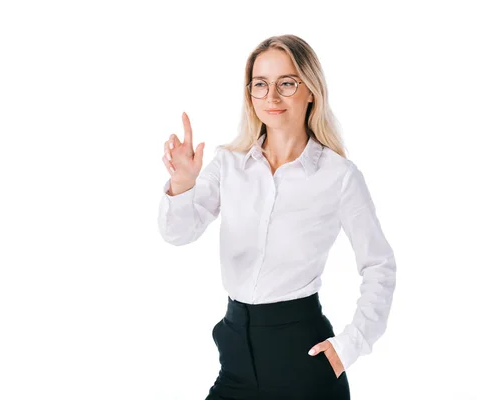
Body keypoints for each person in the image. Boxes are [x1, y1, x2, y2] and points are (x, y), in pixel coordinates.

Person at [157, 34, 396, 399]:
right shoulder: (228, 164)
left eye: (286, 83)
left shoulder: (339, 175)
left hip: (303, 357)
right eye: (260, 85)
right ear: (249, 94)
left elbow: (379, 265)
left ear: (311, 90)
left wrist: (350, 345)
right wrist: (182, 185)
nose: (271, 96)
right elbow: (178, 233)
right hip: (235, 352)